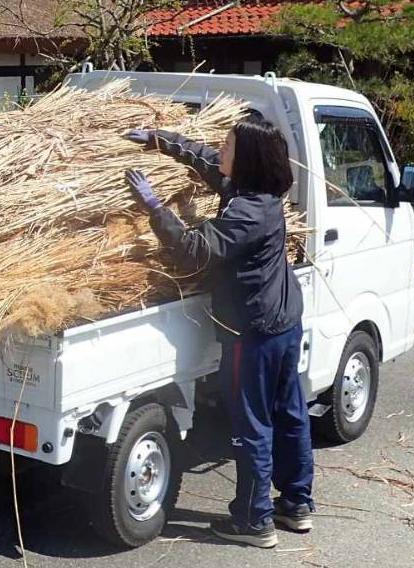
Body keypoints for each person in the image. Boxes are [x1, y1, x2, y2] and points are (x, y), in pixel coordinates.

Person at [123, 117, 314, 549]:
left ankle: (253, 521)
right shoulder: (256, 194)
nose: (220, 151)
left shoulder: (247, 213)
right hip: (284, 320)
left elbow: (194, 251)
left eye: (227, 146)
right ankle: (297, 504)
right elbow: (206, 160)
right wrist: (158, 139)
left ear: (245, 159)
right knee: (290, 413)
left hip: (254, 332)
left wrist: (155, 208)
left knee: (252, 426)